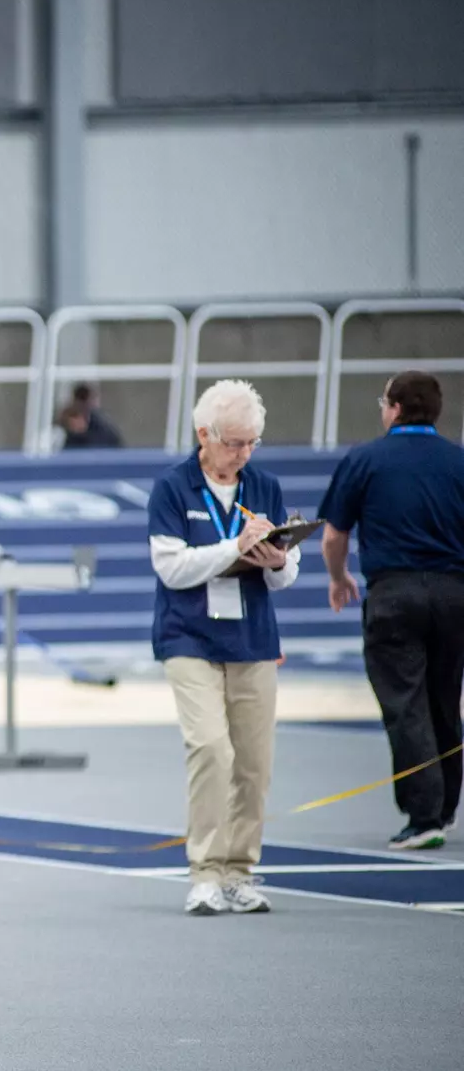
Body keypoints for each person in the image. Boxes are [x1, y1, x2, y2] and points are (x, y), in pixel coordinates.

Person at [147, 379, 299, 916]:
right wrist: (232, 547)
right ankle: (205, 871)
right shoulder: (172, 488)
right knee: (211, 747)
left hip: (253, 636)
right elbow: (171, 566)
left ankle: (240, 871)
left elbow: (285, 574)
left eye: (252, 443)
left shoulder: (265, 485)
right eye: (234, 443)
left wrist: (279, 562)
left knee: (254, 761)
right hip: (188, 633)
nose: (243, 454)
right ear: (203, 435)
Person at [318, 371, 464, 851]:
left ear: (395, 408)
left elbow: (334, 533)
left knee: (405, 704)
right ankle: (443, 808)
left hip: (395, 592)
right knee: (445, 698)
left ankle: (424, 816)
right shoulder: (457, 461)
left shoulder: (365, 459)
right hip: (452, 592)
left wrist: (339, 578)